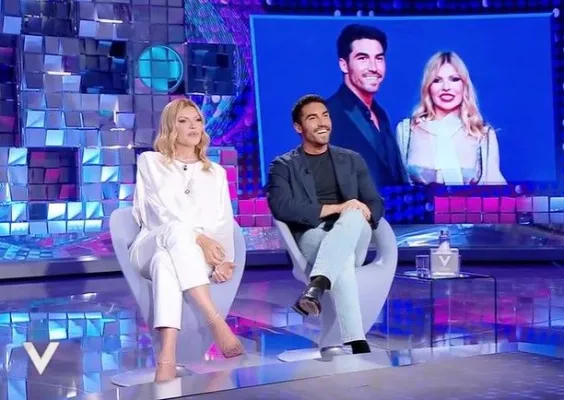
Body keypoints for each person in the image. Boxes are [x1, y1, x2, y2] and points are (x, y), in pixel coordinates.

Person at [129, 98, 244, 382]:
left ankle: (167, 358)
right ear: (171, 127)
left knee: (165, 263)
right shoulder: (151, 162)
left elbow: (223, 219)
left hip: (191, 257)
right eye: (183, 121)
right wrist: (199, 238)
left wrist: (225, 259)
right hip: (151, 243)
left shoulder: (215, 172)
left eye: (197, 120)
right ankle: (215, 321)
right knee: (174, 234)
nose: (193, 126)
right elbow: (156, 213)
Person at [267, 94, 385, 355]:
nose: (322, 122)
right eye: (313, 118)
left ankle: (316, 287)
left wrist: (355, 211)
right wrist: (336, 208)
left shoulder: (352, 159)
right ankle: (356, 341)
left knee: (353, 214)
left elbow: (375, 203)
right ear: (298, 127)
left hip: (355, 236)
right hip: (312, 235)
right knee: (342, 259)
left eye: (325, 115)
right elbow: (282, 207)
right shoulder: (283, 166)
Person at [395, 51, 506, 185]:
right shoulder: (406, 131)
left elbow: (495, 190)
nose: (446, 87)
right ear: (428, 87)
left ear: (464, 85)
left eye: (454, 79)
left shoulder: (483, 134)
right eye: (437, 80)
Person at [327, 23, 407, 187]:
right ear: (344, 65)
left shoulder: (380, 114)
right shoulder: (328, 114)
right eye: (362, 58)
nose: (373, 68)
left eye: (379, 58)